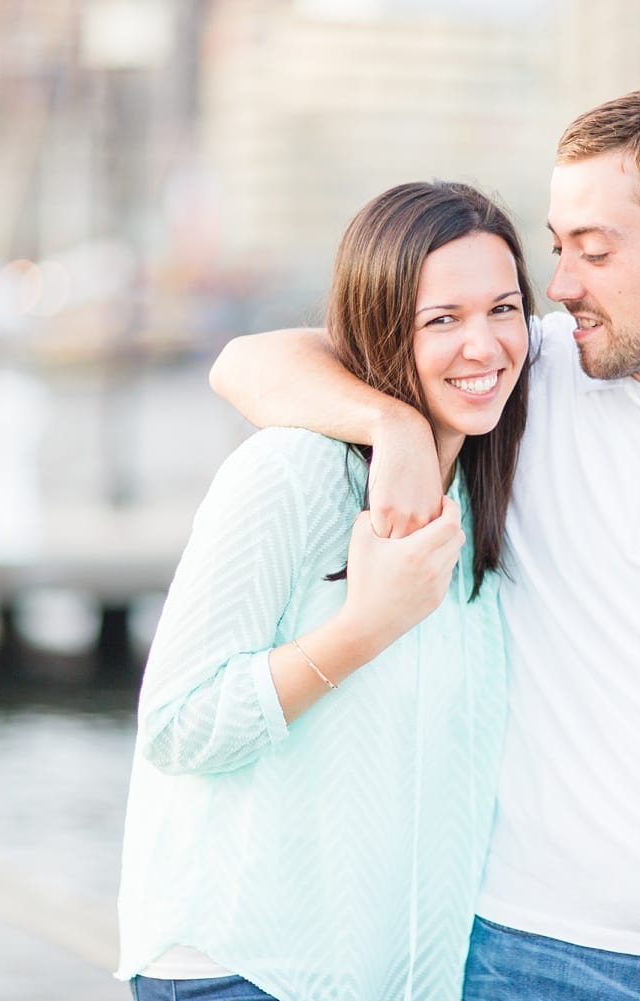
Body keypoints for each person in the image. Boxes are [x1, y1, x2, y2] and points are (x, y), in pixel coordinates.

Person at [210, 86, 640, 1001]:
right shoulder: (523, 373)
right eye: (558, 246)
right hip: (529, 953)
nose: (563, 282)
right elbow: (247, 362)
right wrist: (398, 429)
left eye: (596, 250)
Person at [115, 180, 536, 1000]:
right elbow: (177, 723)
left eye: (505, 309)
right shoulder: (291, 473)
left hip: (393, 977)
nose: (483, 346)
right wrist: (365, 626)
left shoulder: (484, 484)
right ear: (383, 328)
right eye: (440, 319)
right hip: (244, 971)